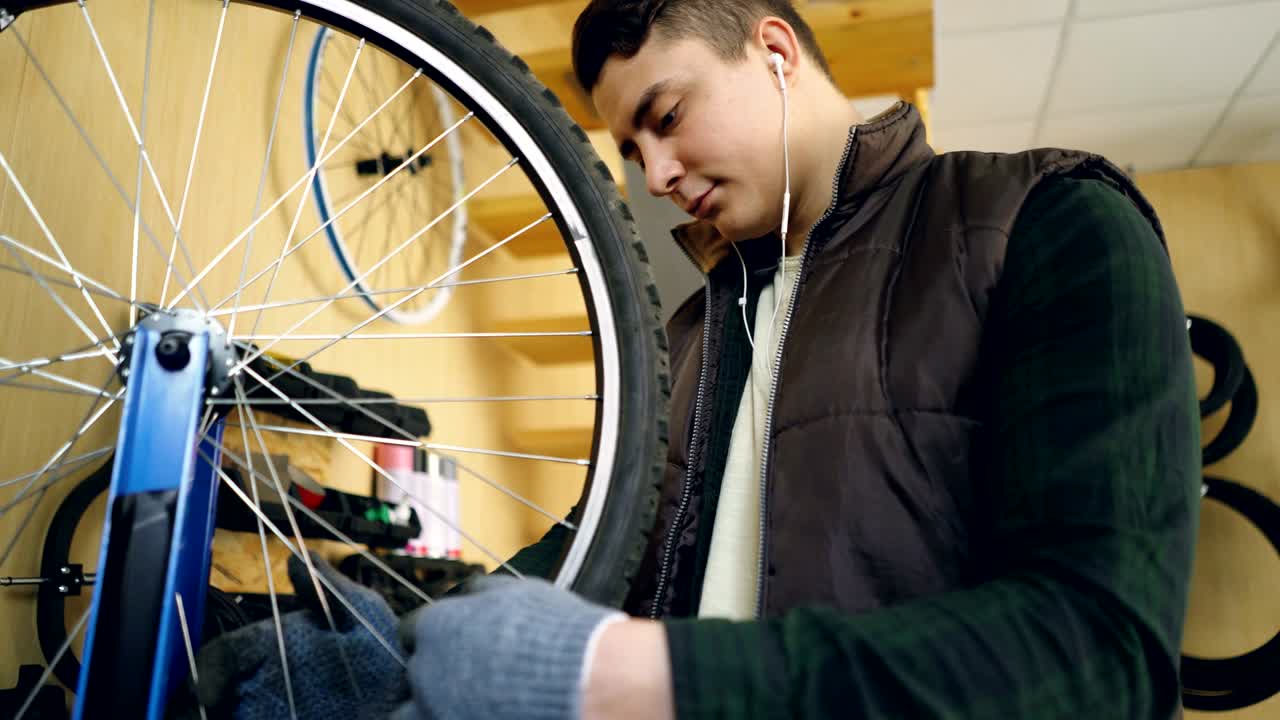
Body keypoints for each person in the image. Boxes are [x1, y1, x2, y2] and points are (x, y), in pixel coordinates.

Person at [189, 1, 1200, 718]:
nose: (656, 174)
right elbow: (609, 561)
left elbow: (1098, 656)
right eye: (631, 152)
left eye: (664, 117)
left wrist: (634, 679)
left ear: (772, 51)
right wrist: (408, 638)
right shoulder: (695, 332)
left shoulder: (1050, 219)